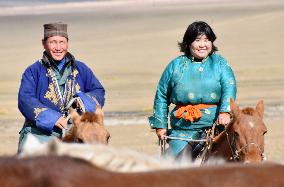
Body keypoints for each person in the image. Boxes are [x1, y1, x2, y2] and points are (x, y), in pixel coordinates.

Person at [148, 21, 237, 161]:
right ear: (189, 42)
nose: (203, 45)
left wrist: (225, 111)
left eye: (207, 40)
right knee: (173, 165)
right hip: (183, 128)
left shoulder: (220, 63)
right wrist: (160, 126)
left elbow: (229, 86)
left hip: (215, 125)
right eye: (197, 40)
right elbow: (161, 95)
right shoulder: (176, 65)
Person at [17, 22, 105, 153]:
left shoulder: (81, 68)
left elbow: (98, 90)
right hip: (40, 133)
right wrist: (53, 118)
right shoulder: (33, 71)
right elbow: (25, 99)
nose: (58, 47)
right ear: (44, 43)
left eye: (62, 42)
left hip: (75, 131)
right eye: (53, 42)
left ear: (67, 43)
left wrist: (84, 100)